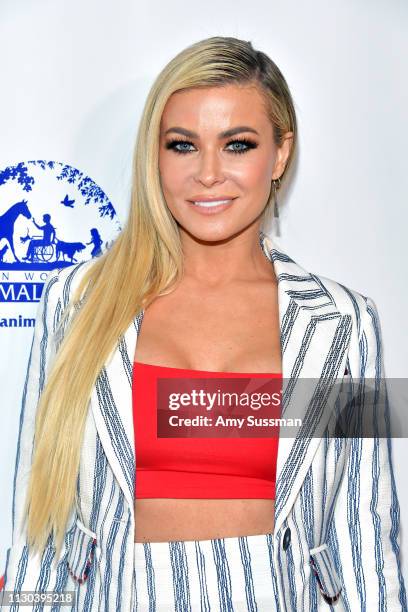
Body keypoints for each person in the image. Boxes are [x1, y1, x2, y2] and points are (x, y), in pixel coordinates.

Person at [2, 36, 406, 611]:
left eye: (237, 144)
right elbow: (35, 530)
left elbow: (366, 539)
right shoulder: (76, 303)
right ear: (155, 155)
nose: (209, 174)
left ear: (280, 154)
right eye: (183, 145)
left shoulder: (345, 323)